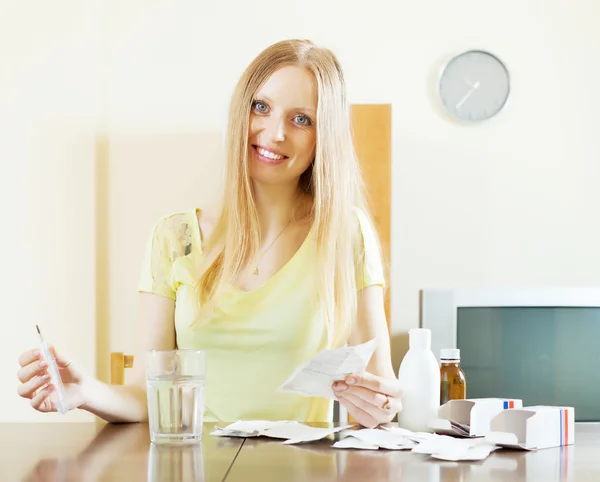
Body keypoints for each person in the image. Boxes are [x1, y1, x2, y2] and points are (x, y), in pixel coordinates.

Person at [16, 39, 403, 429]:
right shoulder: (175, 238)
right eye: (261, 107)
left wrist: (382, 406)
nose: (275, 133)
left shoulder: (346, 234)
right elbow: (148, 393)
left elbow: (380, 388)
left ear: (324, 136)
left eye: (301, 119)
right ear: (240, 113)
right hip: (192, 465)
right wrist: (85, 392)